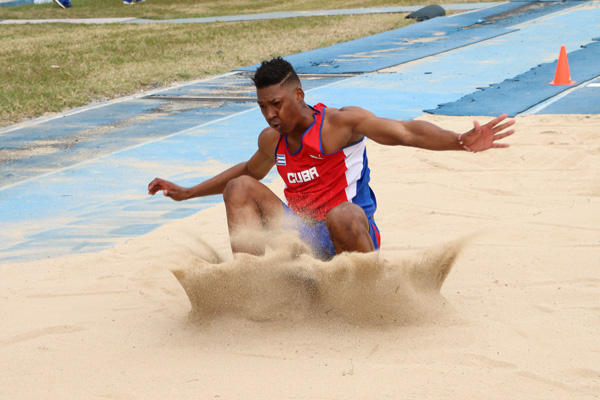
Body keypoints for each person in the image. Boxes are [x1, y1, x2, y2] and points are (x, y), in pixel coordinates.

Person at [148, 57, 515, 260]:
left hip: (348, 231)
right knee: (240, 186)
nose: (270, 115)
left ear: (298, 95)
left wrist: (459, 141)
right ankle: (254, 283)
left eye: (276, 104)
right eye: (262, 107)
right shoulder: (271, 139)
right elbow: (247, 170)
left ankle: (366, 290)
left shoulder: (339, 125)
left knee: (342, 212)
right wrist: (187, 192)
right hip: (302, 236)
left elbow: (405, 132)